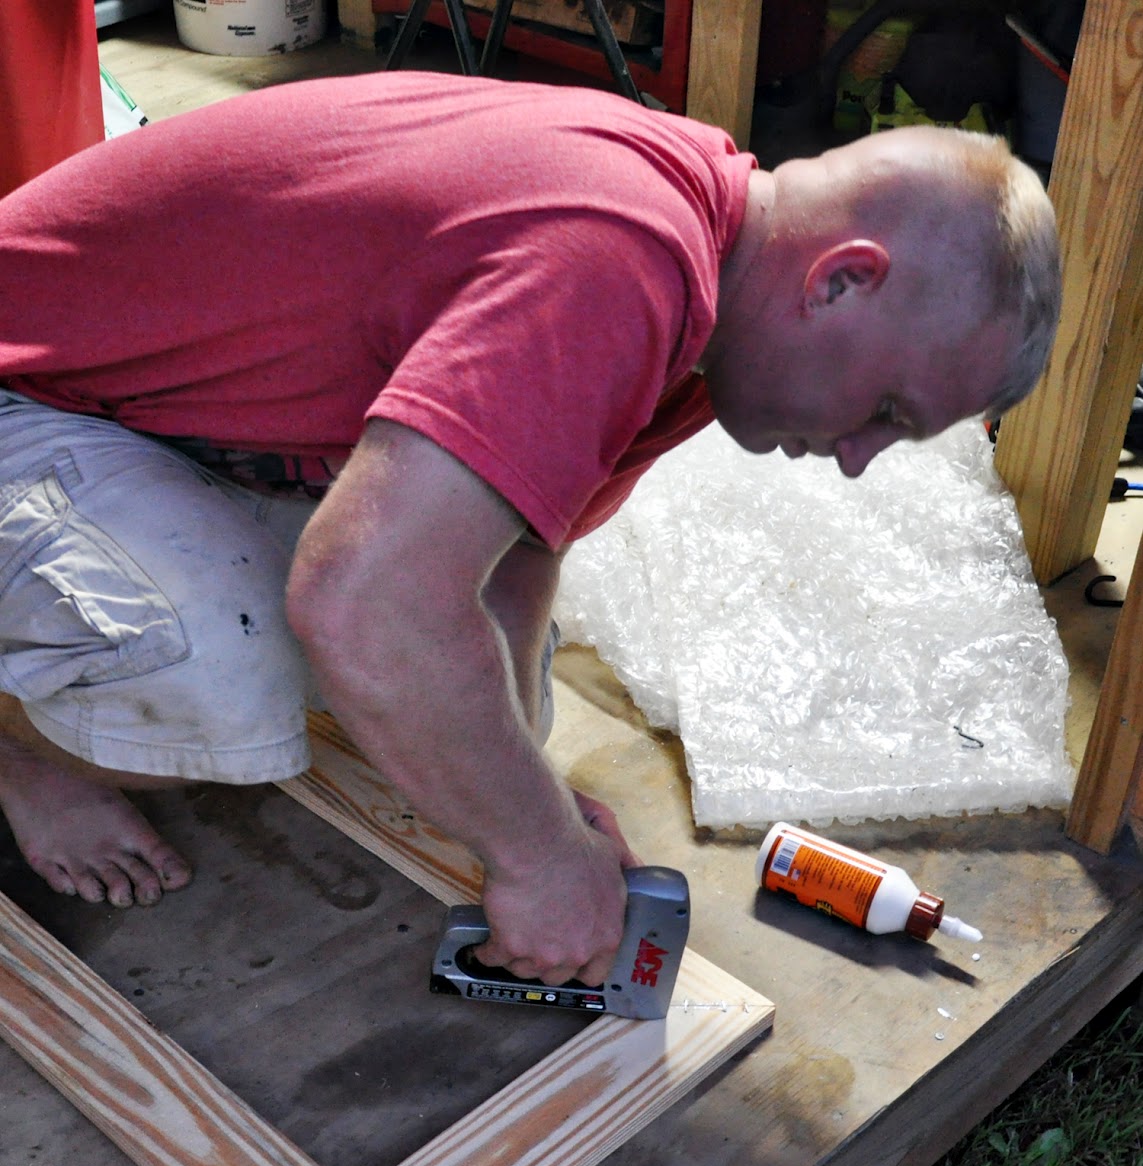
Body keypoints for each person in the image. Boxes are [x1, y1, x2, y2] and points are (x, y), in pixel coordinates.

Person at [0, 72, 1059, 987]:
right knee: (226, 678)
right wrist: (541, 859)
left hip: (154, 411)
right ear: (841, 280)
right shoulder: (620, 254)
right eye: (888, 413)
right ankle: (18, 750)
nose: (862, 457)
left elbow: (521, 546)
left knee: (484, 714)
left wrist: (520, 796)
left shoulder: (705, 290)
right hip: (30, 387)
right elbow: (363, 600)